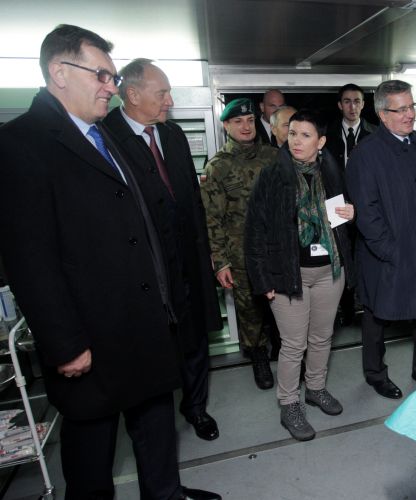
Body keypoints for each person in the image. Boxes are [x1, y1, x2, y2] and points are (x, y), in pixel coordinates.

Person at [0, 24, 219, 499]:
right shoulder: (21, 143)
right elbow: (30, 258)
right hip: (92, 338)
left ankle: (166, 494)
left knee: (156, 431)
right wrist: (64, 344)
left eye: (113, 77)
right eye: (100, 75)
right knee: (93, 454)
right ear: (59, 72)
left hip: (146, 323)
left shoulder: (108, 136)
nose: (110, 87)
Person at [103, 58, 223, 442]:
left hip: (187, 256)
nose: (170, 101)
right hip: (145, 266)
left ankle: (196, 407)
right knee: (155, 344)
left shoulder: (172, 135)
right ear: (132, 94)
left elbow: (192, 199)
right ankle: (155, 419)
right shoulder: (105, 138)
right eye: (163, 93)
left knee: (195, 337)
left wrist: (207, 250)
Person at [245, 109, 355, 441]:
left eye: (305, 135)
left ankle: (316, 388)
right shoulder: (272, 175)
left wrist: (352, 213)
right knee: (293, 344)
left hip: (329, 272)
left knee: (322, 337)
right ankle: (289, 403)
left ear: (320, 142)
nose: (296, 141)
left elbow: (341, 217)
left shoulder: (332, 171)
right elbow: (255, 231)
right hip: (287, 275)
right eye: (292, 133)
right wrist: (263, 280)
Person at [346, 80, 416, 399]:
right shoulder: (366, 154)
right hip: (387, 253)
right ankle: (375, 374)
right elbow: (366, 211)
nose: (409, 114)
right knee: (378, 314)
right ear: (382, 114)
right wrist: (390, 250)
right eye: (400, 109)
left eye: (411, 106)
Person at [202, 98, 278, 389]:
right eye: (238, 122)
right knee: (250, 308)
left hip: (275, 250)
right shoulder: (218, 166)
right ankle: (258, 356)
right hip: (241, 253)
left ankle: (285, 351)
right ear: (226, 126)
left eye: (250, 120)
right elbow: (212, 219)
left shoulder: (273, 157)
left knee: (283, 303)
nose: (245, 127)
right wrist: (220, 262)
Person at [326, 83, 377, 327]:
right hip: (336, 205)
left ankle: (367, 306)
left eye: (357, 101)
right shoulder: (326, 135)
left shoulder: (375, 134)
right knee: (342, 256)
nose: (352, 106)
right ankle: (346, 309)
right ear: (339, 105)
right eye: (347, 101)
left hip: (366, 205)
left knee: (367, 255)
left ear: (364, 104)